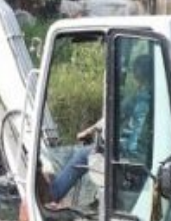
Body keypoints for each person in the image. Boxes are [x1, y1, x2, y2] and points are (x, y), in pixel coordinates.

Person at [47, 54, 153, 206]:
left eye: (134, 71)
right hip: (144, 153)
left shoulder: (138, 98)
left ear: (139, 73)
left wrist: (88, 132)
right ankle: (97, 200)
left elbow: (111, 117)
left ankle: (54, 193)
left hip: (130, 154)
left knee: (82, 155)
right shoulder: (154, 96)